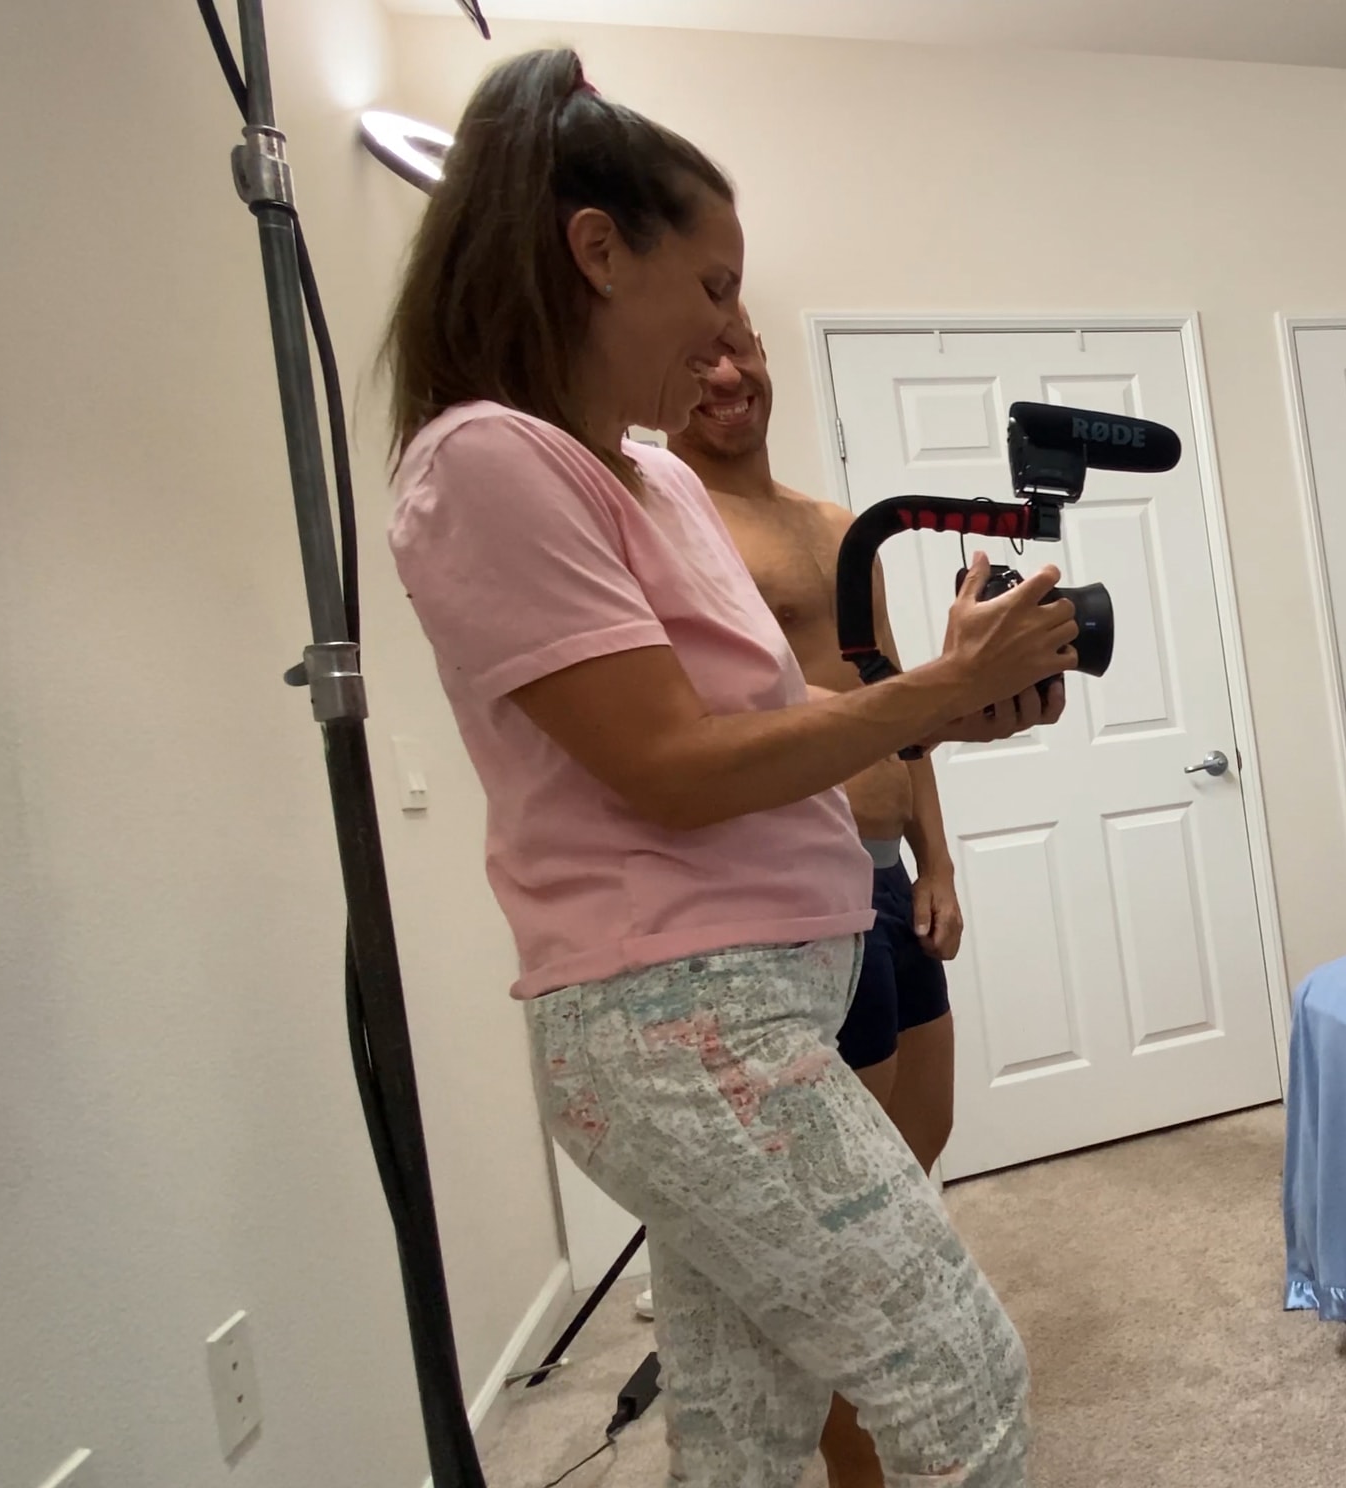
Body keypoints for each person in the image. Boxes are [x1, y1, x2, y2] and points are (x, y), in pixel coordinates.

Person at [381, 49, 1063, 1485]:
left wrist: (943, 710)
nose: (726, 334)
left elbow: (765, 715)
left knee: (744, 1431)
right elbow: (672, 768)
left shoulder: (656, 477)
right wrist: (932, 690)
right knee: (960, 1377)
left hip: (760, 994)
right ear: (595, 252)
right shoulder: (490, 460)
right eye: (711, 285)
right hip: (679, 1017)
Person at [666, 310, 966, 1487]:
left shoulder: (838, 527)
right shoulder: (671, 521)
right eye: (698, 353)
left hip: (887, 874)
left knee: (920, 1141)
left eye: (739, 345)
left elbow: (898, 700)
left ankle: (858, 1396)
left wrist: (938, 861)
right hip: (800, 892)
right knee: (845, 1217)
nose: (726, 372)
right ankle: (858, 1464)